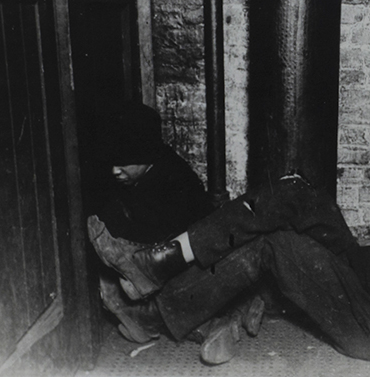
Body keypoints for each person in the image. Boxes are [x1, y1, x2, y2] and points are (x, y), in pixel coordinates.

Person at [87, 100, 370, 377]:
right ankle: (160, 268)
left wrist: (353, 253)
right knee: (293, 194)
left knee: (277, 241)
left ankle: (156, 283)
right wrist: (357, 255)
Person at [89, 101, 265, 354]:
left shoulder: (174, 181)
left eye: (125, 163)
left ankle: (224, 314)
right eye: (112, 163)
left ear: (145, 156)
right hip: (167, 264)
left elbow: (178, 245)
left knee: (179, 292)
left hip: (198, 263)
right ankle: (230, 314)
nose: (115, 171)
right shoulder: (130, 180)